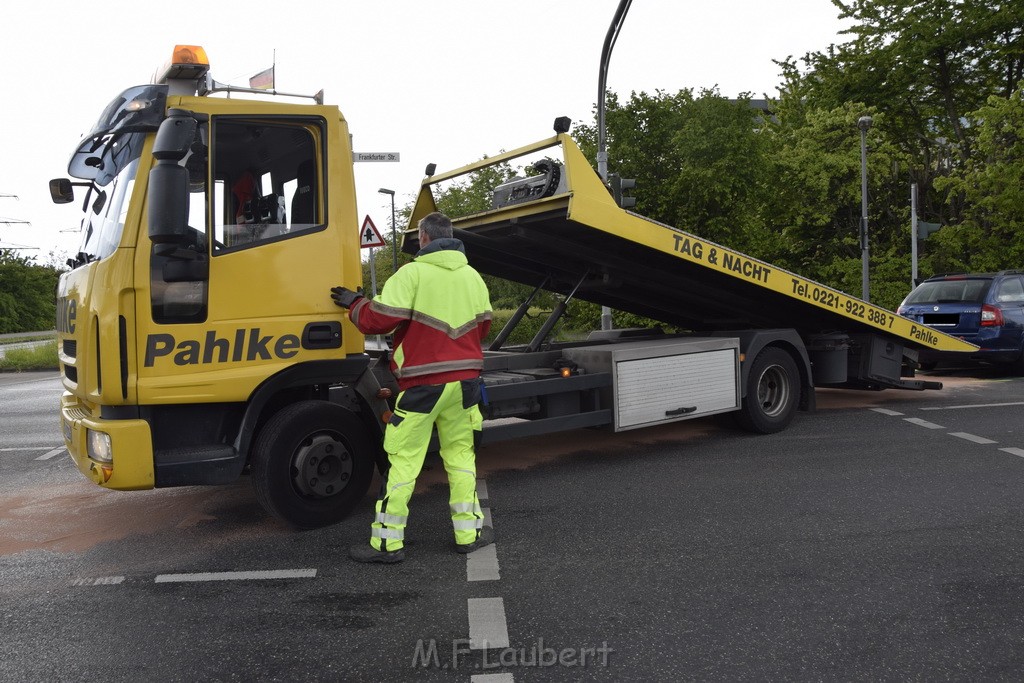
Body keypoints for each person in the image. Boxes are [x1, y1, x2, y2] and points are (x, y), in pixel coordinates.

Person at [331, 211, 494, 564]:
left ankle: (388, 544)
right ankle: (469, 535)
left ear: (423, 238)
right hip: (465, 382)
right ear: (449, 236)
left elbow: (377, 320)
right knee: (461, 458)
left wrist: (353, 303)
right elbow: (483, 329)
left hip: (423, 384)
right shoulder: (473, 277)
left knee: (405, 462)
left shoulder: (412, 273)